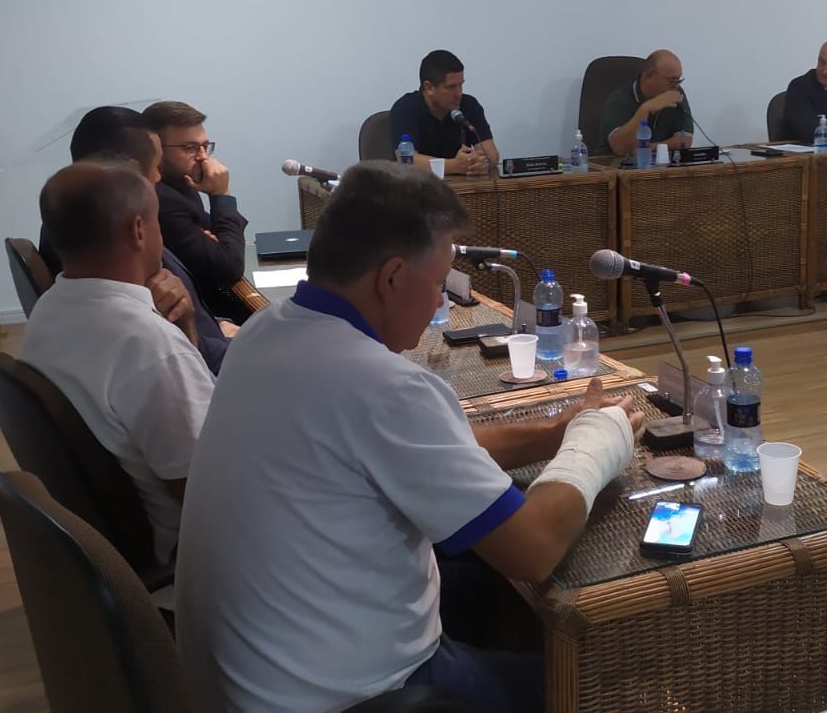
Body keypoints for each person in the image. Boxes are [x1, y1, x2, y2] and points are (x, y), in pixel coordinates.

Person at [176, 161, 646, 713]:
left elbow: (416, 451)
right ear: (393, 278)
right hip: (356, 697)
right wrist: (595, 441)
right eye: (438, 284)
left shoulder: (263, 332)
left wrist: (554, 432)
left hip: (250, 679)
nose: (437, 303)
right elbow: (534, 549)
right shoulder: (383, 387)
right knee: (606, 682)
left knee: (489, 598)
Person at [21, 161, 214, 577]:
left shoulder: (49, 309)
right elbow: (211, 494)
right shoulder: (148, 345)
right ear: (139, 230)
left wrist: (185, 329)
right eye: (157, 221)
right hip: (190, 554)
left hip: (108, 546)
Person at [37, 105, 235, 374]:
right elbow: (186, 353)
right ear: (130, 169)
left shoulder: (66, 219)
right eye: (155, 165)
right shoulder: (121, 247)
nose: (158, 176)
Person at [142, 101, 252, 324]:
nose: (203, 156)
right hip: (207, 320)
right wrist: (221, 195)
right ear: (156, 150)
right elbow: (229, 266)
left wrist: (217, 241)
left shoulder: (183, 184)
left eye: (205, 146)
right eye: (189, 148)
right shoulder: (163, 199)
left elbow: (220, 242)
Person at [389, 50, 499, 176]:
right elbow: (407, 161)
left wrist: (480, 163)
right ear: (429, 88)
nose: (459, 93)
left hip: (463, 185)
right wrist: (453, 166)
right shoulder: (405, 108)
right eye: (451, 87)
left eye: (461, 85)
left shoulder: (469, 105)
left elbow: (492, 155)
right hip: (419, 185)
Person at [599, 49, 695, 157]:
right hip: (615, 165)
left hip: (661, 163)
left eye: (679, 80)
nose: (676, 86)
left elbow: (685, 141)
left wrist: (648, 148)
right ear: (649, 76)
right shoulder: (619, 99)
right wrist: (645, 110)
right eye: (671, 81)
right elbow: (621, 148)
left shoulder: (675, 92)